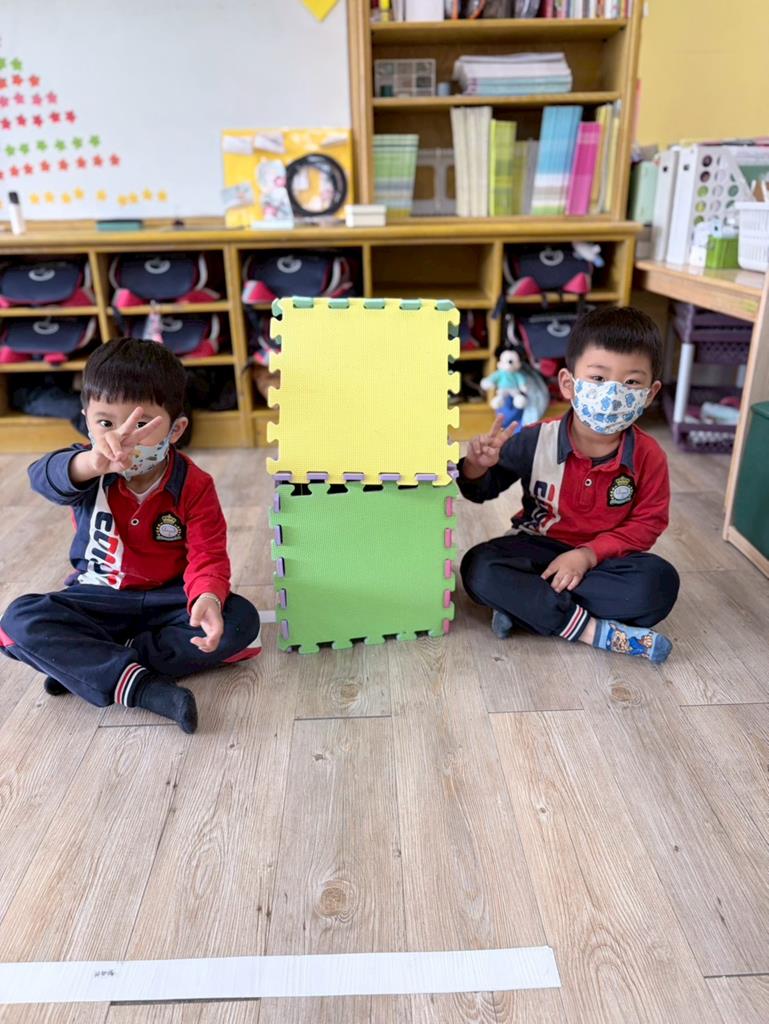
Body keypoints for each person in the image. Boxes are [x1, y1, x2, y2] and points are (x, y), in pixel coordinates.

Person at [0, 338, 261, 732]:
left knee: (241, 621)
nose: (122, 439)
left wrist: (207, 597)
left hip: (169, 599)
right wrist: (89, 464)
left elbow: (207, 556)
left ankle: (87, 666)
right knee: (17, 621)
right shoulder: (85, 469)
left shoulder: (194, 484)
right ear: (86, 420)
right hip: (99, 596)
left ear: (176, 429)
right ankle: (139, 686)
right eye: (106, 424)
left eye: (141, 425)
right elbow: (43, 477)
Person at [459, 306, 679, 664]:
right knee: (478, 567)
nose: (613, 393)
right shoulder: (536, 439)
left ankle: (525, 607)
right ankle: (592, 631)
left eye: (631, 383)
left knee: (658, 583)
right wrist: (475, 466)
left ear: (650, 393)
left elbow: (647, 524)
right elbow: (481, 490)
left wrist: (587, 555)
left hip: (602, 561)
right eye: (598, 378)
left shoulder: (649, 456)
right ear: (568, 383)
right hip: (536, 549)